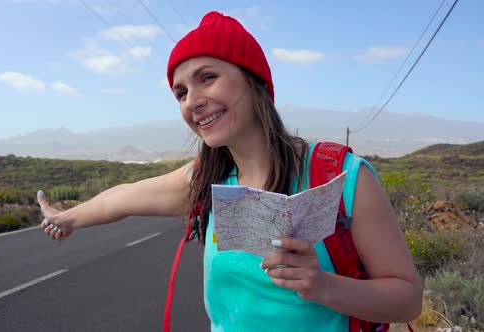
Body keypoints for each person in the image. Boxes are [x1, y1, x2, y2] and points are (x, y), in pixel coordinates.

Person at [36, 11, 423, 331]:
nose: (193, 102)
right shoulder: (207, 180)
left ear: (255, 82)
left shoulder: (342, 177)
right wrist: (68, 217)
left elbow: (407, 300)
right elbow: (124, 196)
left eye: (208, 77)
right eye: (181, 92)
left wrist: (321, 285)